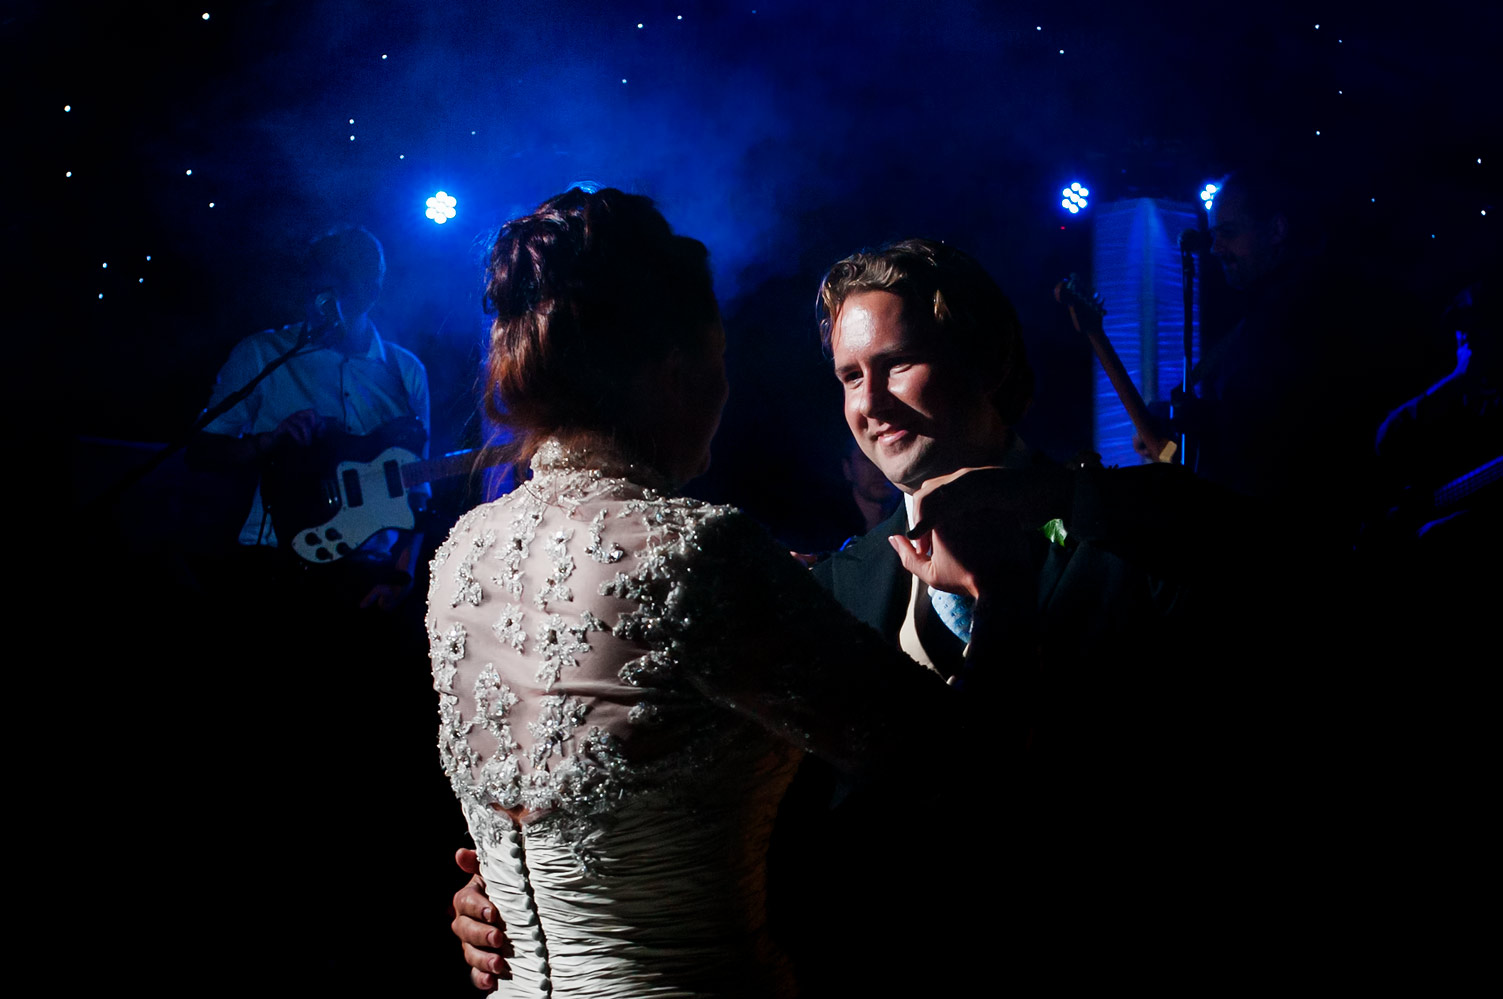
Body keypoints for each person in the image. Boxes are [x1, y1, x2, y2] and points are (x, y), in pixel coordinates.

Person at [452, 235, 1243, 991]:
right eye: (848, 376)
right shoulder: (828, 586)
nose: (870, 402)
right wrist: (526, 902)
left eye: (897, 364)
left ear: (989, 359)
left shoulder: (1151, 527)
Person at [427, 189, 1022, 997]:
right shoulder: (697, 553)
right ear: (677, 372)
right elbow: (953, 759)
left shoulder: (464, 551)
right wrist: (998, 600)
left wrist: (506, 896)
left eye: (896, 364)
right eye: (721, 360)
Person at [189, 224, 431, 609]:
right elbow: (200, 451)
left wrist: (403, 574)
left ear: (372, 290)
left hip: (369, 573)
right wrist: (267, 441)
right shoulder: (263, 354)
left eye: (343, 286)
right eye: (319, 283)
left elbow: (416, 489)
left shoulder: (406, 371)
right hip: (276, 566)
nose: (325, 299)